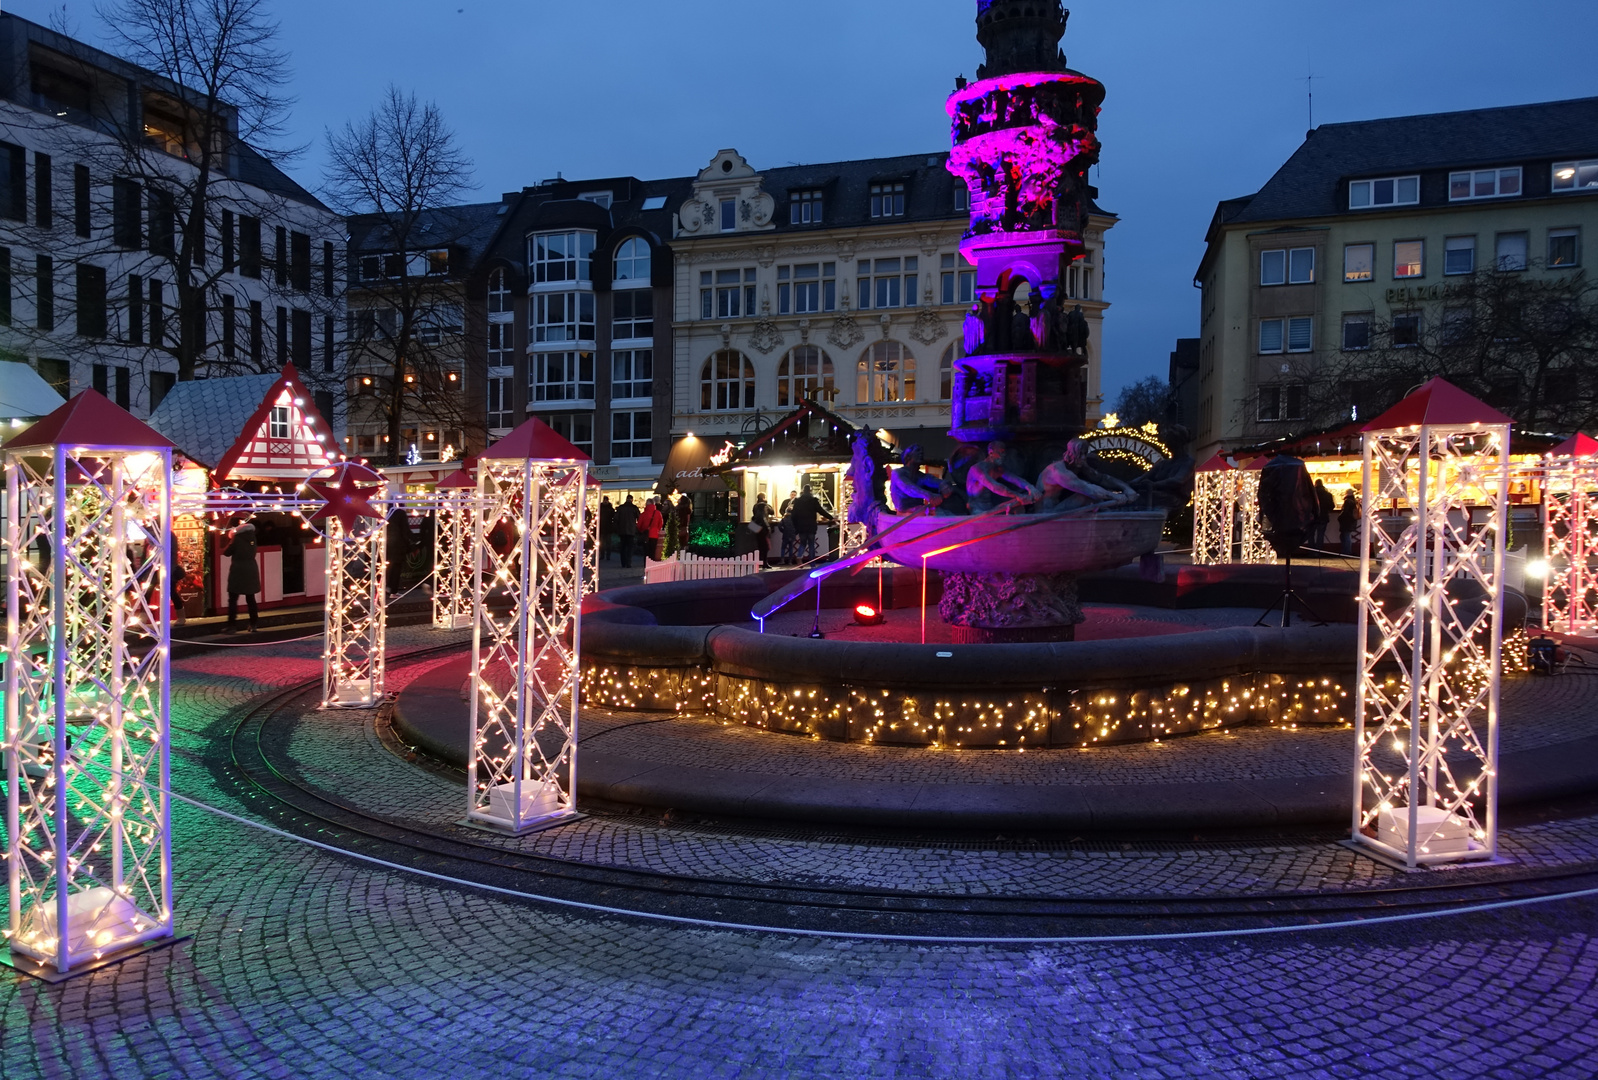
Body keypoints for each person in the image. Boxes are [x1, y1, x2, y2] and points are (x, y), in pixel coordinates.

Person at [1038, 440, 1134, 512]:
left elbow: (1102, 479)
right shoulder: (1058, 471)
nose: (1083, 457)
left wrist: (1127, 488)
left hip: (1057, 509)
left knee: (1094, 496)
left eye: (1085, 453)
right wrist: (1115, 496)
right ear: (1071, 454)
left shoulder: (1077, 463)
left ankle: (1108, 516)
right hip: (1045, 513)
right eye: (1080, 454)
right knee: (1086, 496)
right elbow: (1087, 489)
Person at [966, 440, 1040, 512]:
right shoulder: (977, 469)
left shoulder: (997, 469)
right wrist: (1018, 496)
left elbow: (1015, 479)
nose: (1004, 455)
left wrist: (1030, 487)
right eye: (1001, 452)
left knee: (1018, 506)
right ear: (991, 452)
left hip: (990, 508)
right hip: (977, 510)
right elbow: (994, 487)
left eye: (1004, 452)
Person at [223, 514, 260, 632]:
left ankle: (232, 625)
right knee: (251, 598)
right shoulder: (252, 537)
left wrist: (230, 540)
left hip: (238, 570)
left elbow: (227, 552)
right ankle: (253, 624)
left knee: (233, 598)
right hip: (251, 569)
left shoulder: (236, 538)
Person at [890, 445, 943, 513]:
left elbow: (935, 482)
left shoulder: (921, 476)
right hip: (904, 515)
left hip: (919, 512)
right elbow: (908, 488)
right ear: (908, 456)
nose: (921, 453)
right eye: (917, 450)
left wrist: (945, 485)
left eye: (922, 451)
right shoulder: (898, 473)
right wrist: (930, 496)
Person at [789, 484, 835, 562]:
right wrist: (831, 517)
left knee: (802, 543)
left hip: (801, 526)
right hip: (811, 526)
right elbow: (821, 511)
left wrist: (795, 526)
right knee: (811, 545)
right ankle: (812, 564)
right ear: (810, 491)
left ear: (803, 491)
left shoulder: (797, 501)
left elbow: (794, 515)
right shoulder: (813, 500)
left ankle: (799, 557)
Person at [615, 495, 640, 568]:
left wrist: (617, 528)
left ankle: (623, 563)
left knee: (622, 547)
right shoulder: (634, 508)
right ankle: (628, 563)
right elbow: (639, 518)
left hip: (622, 530)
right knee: (630, 548)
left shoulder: (621, 508)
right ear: (632, 500)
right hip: (631, 530)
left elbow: (616, 518)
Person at [750, 492, 774, 566]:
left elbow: (754, 515)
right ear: (763, 498)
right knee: (766, 545)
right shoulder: (764, 505)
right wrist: (768, 528)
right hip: (764, 527)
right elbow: (772, 512)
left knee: (759, 544)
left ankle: (759, 561)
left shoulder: (755, 506)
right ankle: (765, 562)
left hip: (755, 526)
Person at [1312, 479, 1335, 549]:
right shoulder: (1328, 495)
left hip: (1312, 517)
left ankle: (1311, 550)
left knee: (1310, 534)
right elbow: (1332, 506)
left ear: (1315, 484)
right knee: (1320, 534)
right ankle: (1318, 551)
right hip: (1323, 517)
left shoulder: (1311, 494)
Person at [1339, 489, 1360, 556]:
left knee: (1345, 536)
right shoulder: (1354, 501)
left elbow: (1345, 512)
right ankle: (1347, 551)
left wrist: (1339, 518)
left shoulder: (1347, 501)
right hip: (1352, 521)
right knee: (1346, 535)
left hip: (1346, 521)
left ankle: (1346, 551)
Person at [598, 496, 615, 562]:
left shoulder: (601, 508)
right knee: (605, 543)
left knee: (604, 543)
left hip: (604, 528)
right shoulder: (610, 509)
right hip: (606, 528)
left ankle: (605, 555)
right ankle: (606, 555)